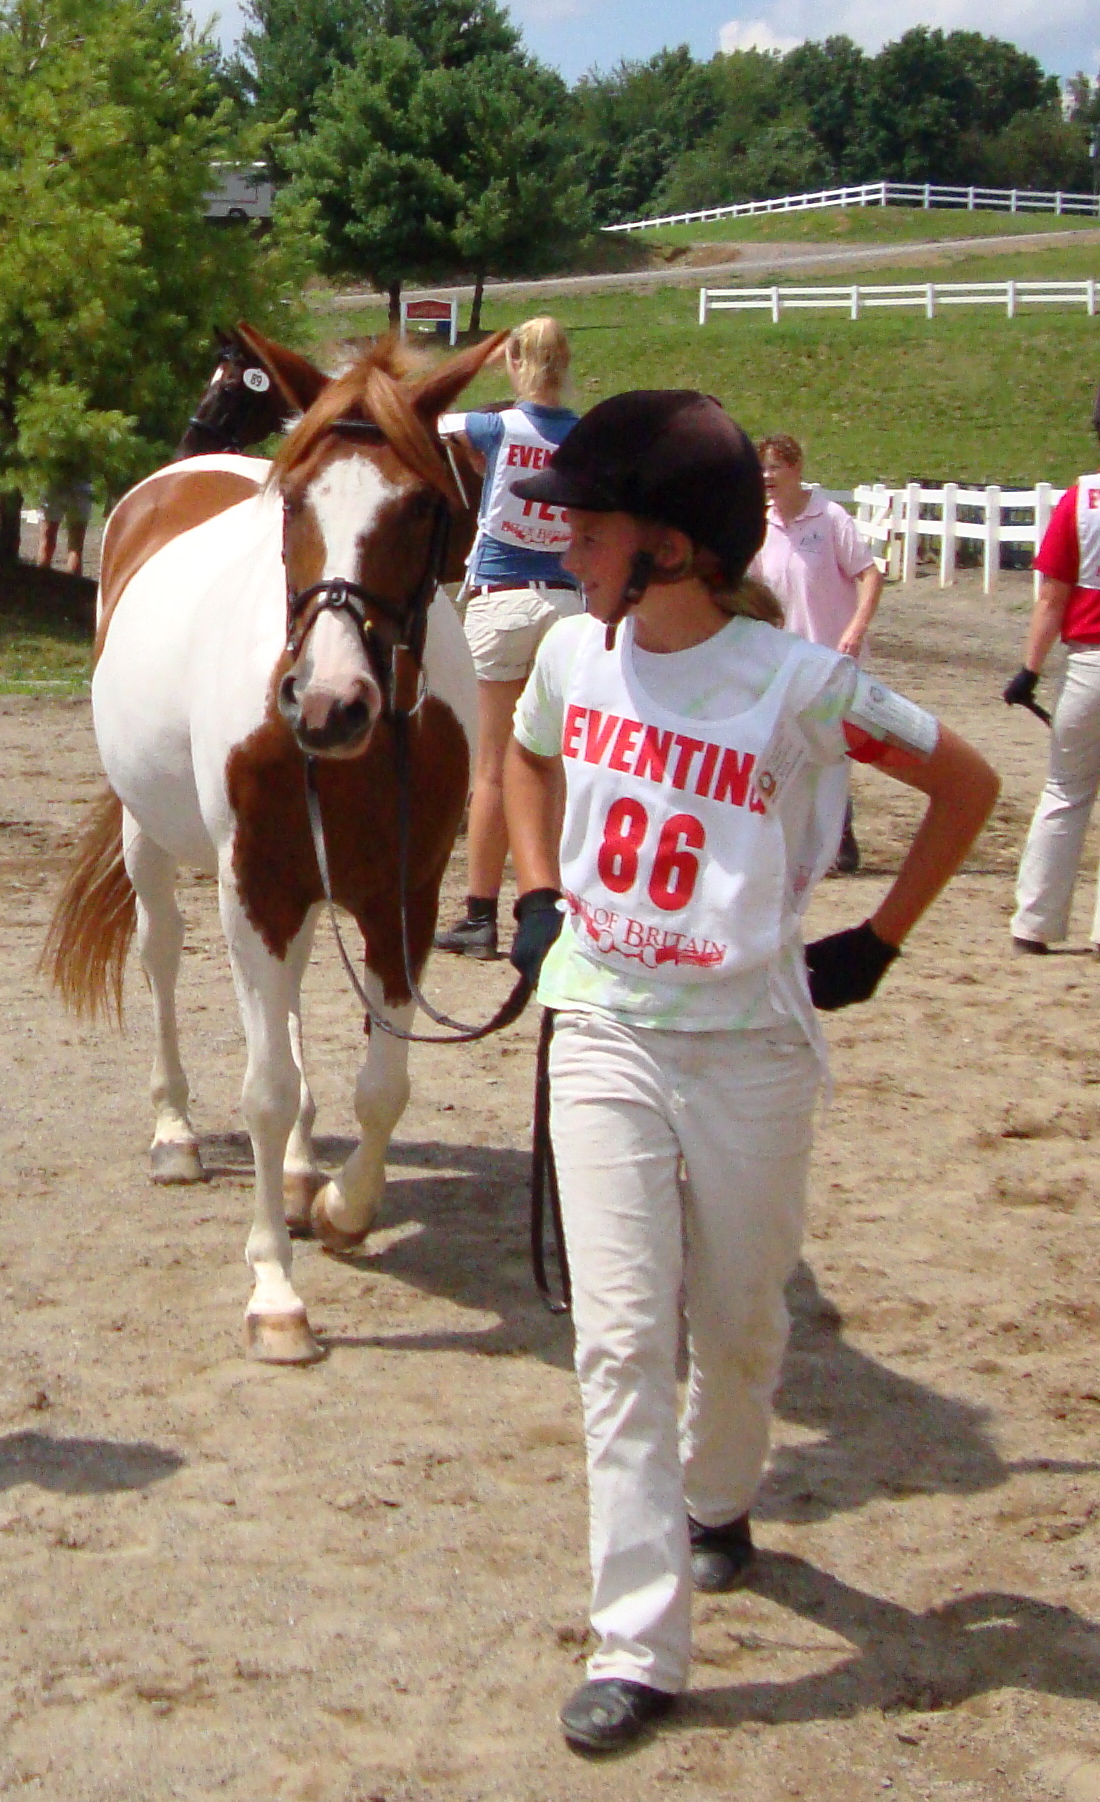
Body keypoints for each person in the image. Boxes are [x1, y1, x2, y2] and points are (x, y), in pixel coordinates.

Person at [501, 390, 997, 1755]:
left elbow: (968, 786)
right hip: (603, 1028)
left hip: (750, 1048)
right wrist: (538, 895)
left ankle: (723, 1500)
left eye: (588, 533)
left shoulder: (801, 687)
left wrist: (878, 942)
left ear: (667, 544)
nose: (567, 556)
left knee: (740, 1321)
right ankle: (636, 1638)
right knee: (615, 1338)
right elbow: (527, 761)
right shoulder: (568, 658)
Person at [432, 317, 582, 959]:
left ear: (517, 365)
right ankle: (548, 902)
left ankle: (479, 912)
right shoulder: (583, 436)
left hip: (501, 599)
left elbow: (436, 422)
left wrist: (475, 453)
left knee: (491, 768)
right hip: (570, 604)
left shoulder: (496, 428)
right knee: (555, 765)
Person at [751, 433, 885, 872]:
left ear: (796, 469)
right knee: (785, 744)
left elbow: (868, 575)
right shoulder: (763, 524)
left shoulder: (830, 518)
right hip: (782, 656)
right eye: (763, 468)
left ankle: (839, 834)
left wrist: (856, 627)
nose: (768, 476)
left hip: (828, 654)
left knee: (829, 747)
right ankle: (790, 836)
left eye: (775, 467)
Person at [1005, 388, 1100, 954]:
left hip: (1088, 666)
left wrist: (1029, 670)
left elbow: (1052, 598)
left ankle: (1034, 923)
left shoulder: (1081, 499)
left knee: (1065, 791)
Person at [38, 475, 93, 575]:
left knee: (73, 547)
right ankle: (43, 583)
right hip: (61, 483)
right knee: (50, 542)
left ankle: (71, 587)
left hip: (70, 483)